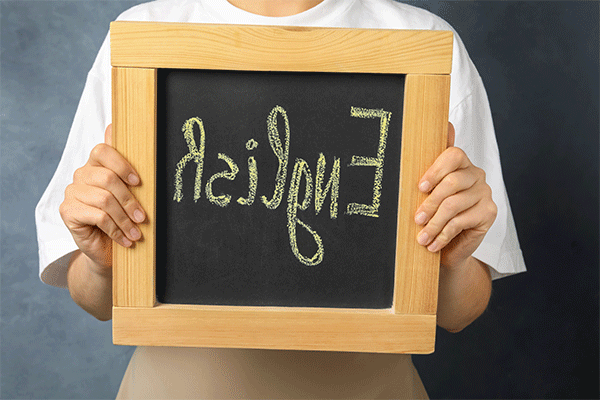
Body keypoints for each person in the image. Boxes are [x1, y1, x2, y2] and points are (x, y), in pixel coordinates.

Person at [36, 0, 526, 398]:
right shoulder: (146, 35)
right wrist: (101, 264)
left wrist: (455, 259)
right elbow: (97, 301)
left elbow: (460, 312)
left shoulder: (424, 45)